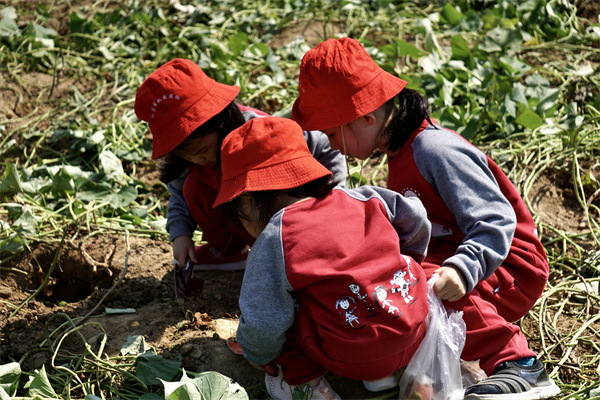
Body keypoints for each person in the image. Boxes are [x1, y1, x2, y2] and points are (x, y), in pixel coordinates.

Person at [291, 37, 561, 400]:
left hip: (509, 262)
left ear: (366, 118)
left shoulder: (434, 150)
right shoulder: (399, 155)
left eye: (330, 133)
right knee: (397, 271)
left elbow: (496, 219)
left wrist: (463, 268)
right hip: (463, 256)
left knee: (420, 280)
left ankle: (519, 364)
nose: (332, 146)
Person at [213, 116, 433, 400]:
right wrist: (406, 257)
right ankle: (387, 377)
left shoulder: (275, 237)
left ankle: (307, 386)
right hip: (414, 327)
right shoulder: (363, 198)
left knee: (284, 318)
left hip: (350, 352)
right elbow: (417, 217)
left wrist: (256, 354)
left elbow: (263, 321)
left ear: (247, 200)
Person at [134, 58, 346, 275]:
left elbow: (321, 143)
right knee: (192, 188)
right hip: (249, 224)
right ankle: (229, 253)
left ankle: (296, 251)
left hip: (296, 219)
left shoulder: (259, 133)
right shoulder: (190, 158)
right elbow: (179, 197)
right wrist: (180, 235)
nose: (196, 160)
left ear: (221, 121)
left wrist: (335, 197)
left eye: (201, 151)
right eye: (186, 155)